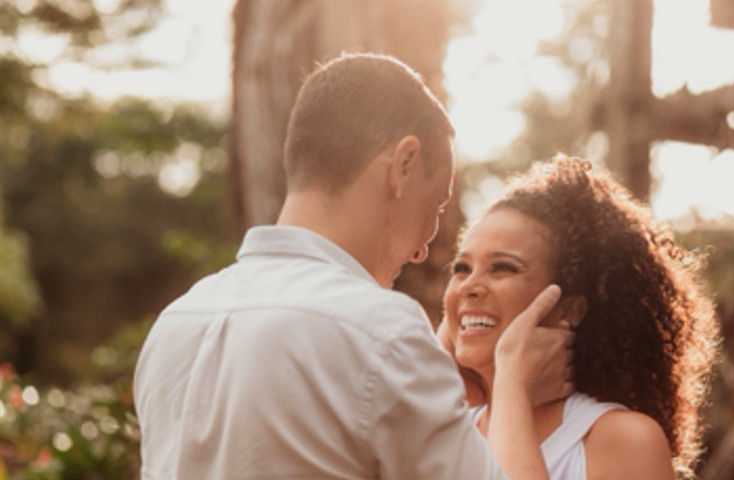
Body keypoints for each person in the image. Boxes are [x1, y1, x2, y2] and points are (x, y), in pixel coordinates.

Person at [133, 53, 573, 480]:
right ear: (403, 165)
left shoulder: (175, 324)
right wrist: (512, 377)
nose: (423, 249)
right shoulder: (382, 331)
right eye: (435, 204)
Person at [439, 155, 720, 480]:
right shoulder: (448, 432)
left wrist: (512, 383)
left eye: (502, 267)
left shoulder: (622, 441)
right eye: (461, 269)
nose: (469, 286)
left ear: (568, 311)